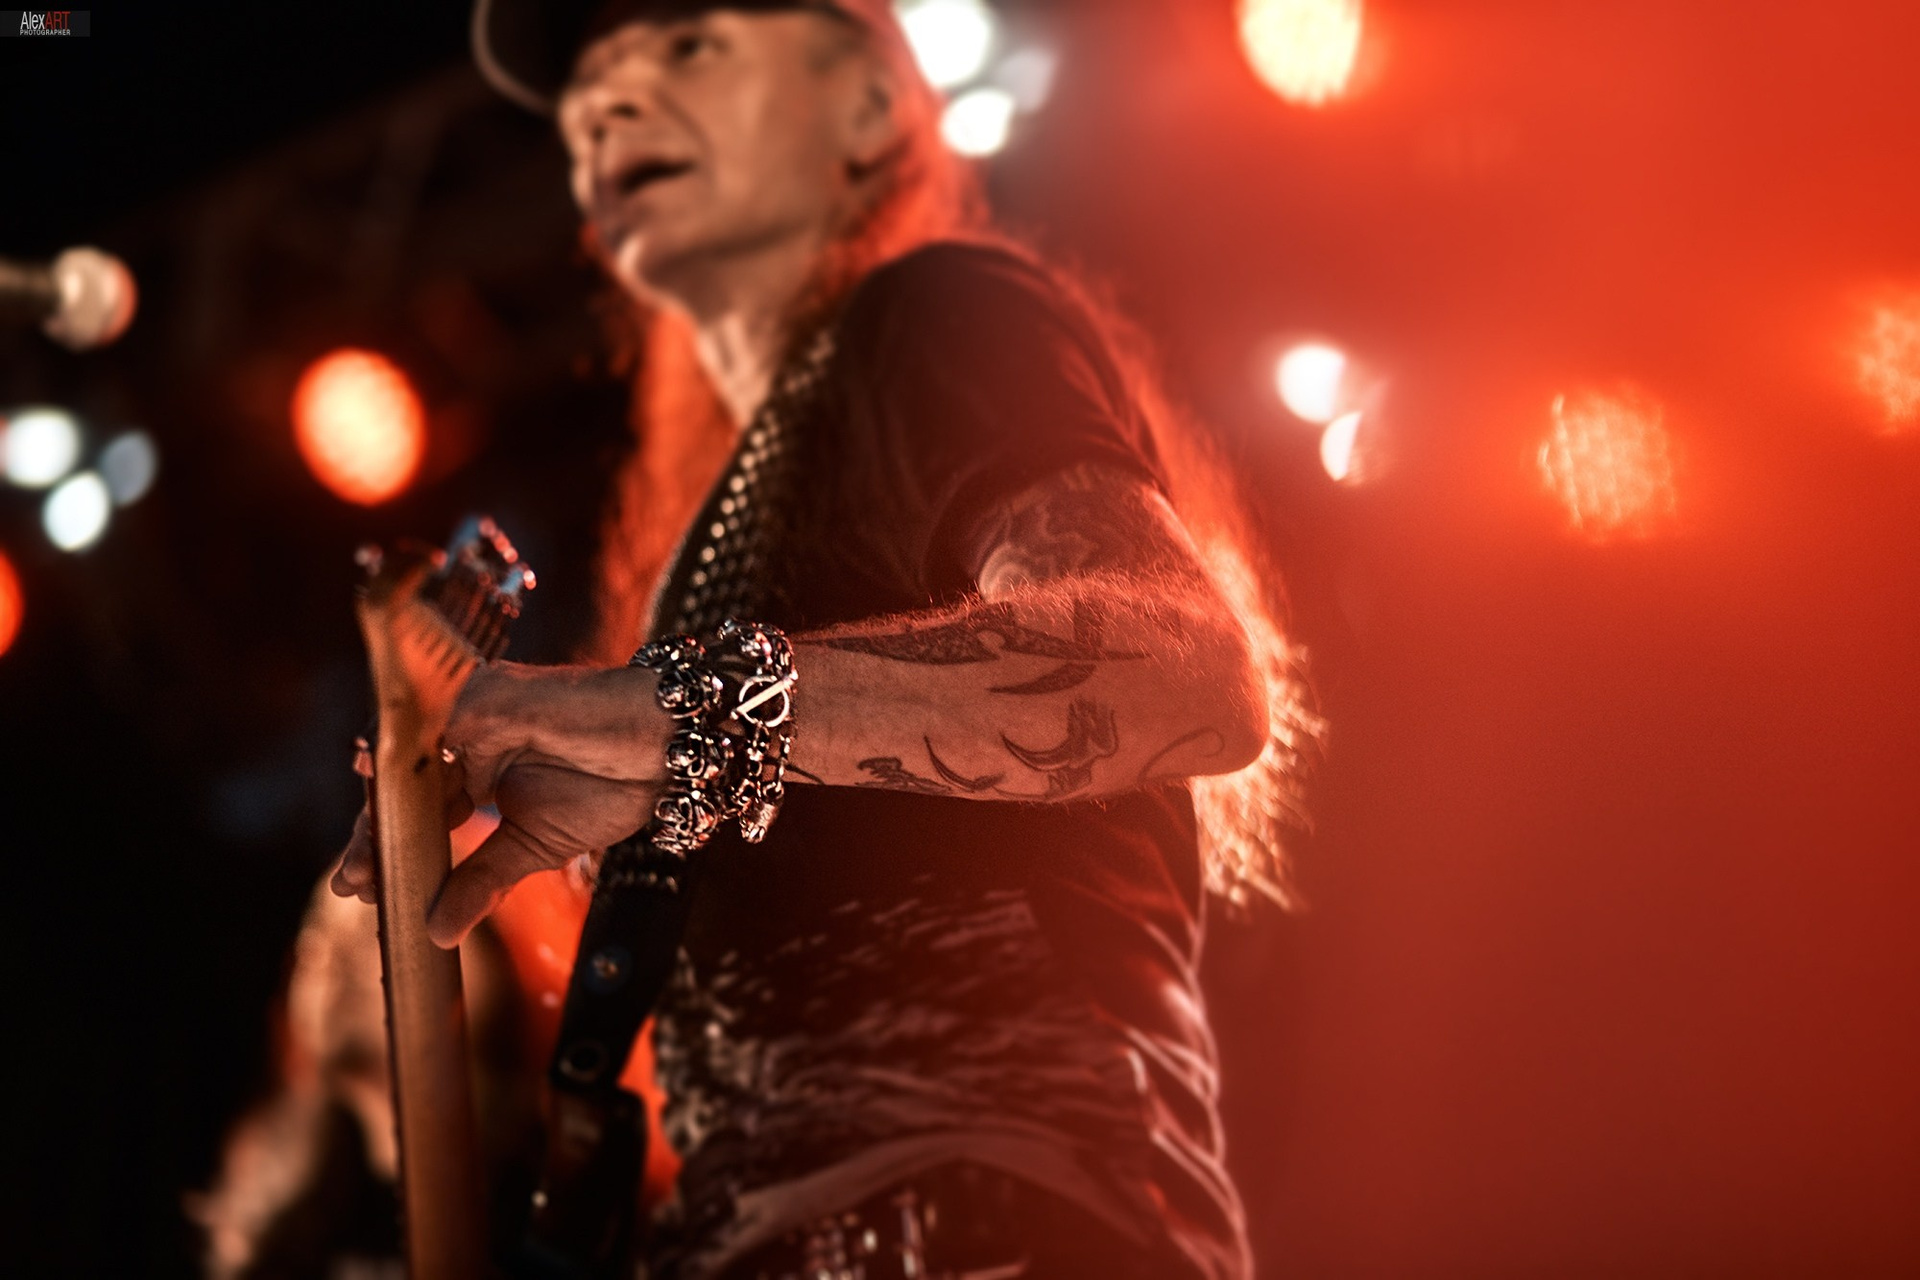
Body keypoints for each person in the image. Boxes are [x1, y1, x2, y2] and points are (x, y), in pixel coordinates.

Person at [206, 1, 1322, 1276]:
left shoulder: (939, 314)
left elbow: (1188, 670)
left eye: (688, 44)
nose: (607, 105)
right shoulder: (722, 523)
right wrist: (648, 784)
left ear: (867, 106)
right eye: (586, 92)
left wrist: (689, 710)